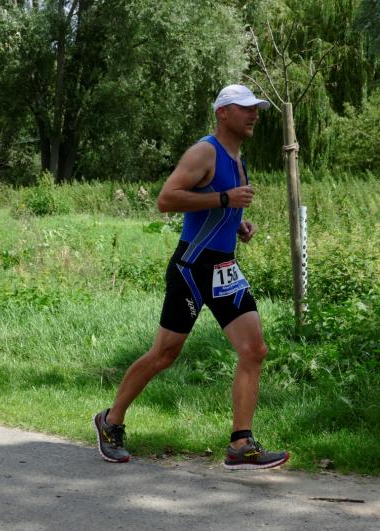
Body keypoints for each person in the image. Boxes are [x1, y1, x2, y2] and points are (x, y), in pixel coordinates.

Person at [94, 84, 289, 470]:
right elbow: (166, 200)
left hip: (224, 268)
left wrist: (236, 222)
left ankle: (240, 443)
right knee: (164, 354)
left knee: (254, 350)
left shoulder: (237, 156)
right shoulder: (204, 152)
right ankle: (110, 421)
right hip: (191, 269)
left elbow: (215, 208)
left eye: (256, 108)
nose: (254, 114)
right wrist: (225, 200)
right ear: (223, 113)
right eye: (245, 108)